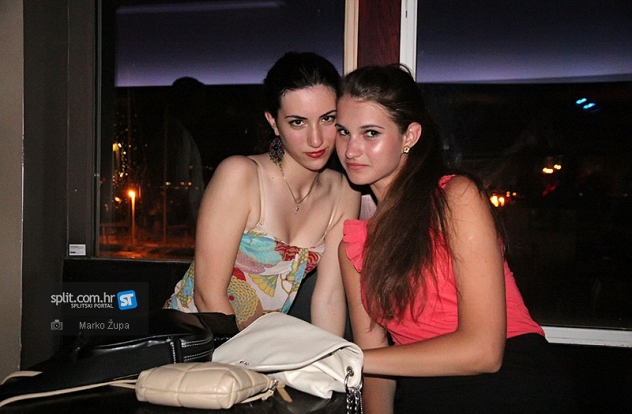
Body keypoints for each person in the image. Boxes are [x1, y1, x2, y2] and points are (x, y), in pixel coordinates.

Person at [335, 65, 577, 413]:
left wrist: (342, 360)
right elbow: (377, 371)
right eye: (343, 132)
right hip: (424, 393)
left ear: (409, 136)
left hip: (509, 384)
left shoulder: (454, 198)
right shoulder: (354, 247)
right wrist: (355, 364)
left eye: (370, 133)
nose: (351, 150)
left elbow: (484, 352)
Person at [164, 52, 360, 336]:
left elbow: (328, 297)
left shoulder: (343, 191)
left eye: (327, 119)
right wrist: (251, 358)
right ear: (273, 122)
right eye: (298, 122)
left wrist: (329, 358)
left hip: (259, 347)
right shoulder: (240, 175)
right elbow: (207, 296)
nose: (316, 139)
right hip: (194, 340)